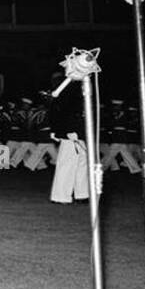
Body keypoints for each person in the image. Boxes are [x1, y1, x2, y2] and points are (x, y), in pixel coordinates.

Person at [48, 67, 89, 204]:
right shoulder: (65, 94)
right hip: (71, 133)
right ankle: (60, 196)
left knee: (82, 164)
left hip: (80, 132)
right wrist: (64, 131)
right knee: (67, 164)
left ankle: (82, 194)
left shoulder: (73, 92)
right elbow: (60, 114)